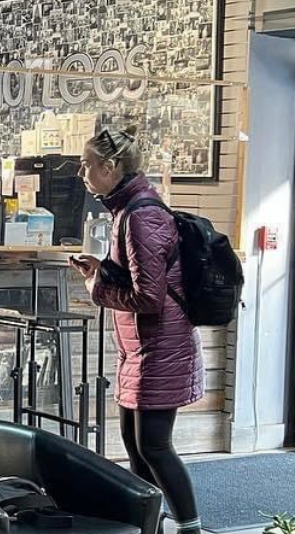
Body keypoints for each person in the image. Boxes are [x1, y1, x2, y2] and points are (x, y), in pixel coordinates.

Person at [71, 125, 203, 534]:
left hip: (161, 348)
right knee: (137, 447)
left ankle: (189, 528)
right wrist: (104, 269)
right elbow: (140, 277)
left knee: (155, 447)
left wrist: (98, 288)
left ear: (110, 168)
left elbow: (149, 297)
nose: (81, 172)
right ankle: (145, 527)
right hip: (143, 348)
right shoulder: (127, 210)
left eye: (87, 164)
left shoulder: (142, 215)